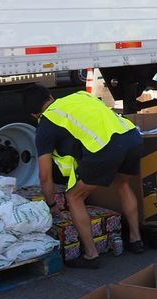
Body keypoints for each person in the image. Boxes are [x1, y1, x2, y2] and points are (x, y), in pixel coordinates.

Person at [22, 85, 146, 268]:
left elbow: (45, 176)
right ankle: (136, 240)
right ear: (50, 96)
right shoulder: (79, 95)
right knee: (122, 184)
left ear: (33, 114)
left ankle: (91, 254)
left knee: (74, 196)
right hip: (131, 138)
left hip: (105, 148)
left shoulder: (46, 125)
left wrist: (51, 204)